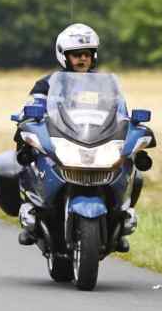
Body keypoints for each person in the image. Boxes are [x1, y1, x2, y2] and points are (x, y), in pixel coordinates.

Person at [15, 23, 152, 252]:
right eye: (76, 55)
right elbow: (31, 108)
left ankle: (120, 220)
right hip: (62, 140)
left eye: (86, 54)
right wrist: (27, 119)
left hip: (97, 142)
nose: (82, 59)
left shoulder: (105, 85)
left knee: (134, 174)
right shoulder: (47, 83)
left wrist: (130, 127)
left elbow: (121, 113)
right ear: (64, 56)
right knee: (24, 164)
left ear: (93, 57)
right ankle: (33, 217)